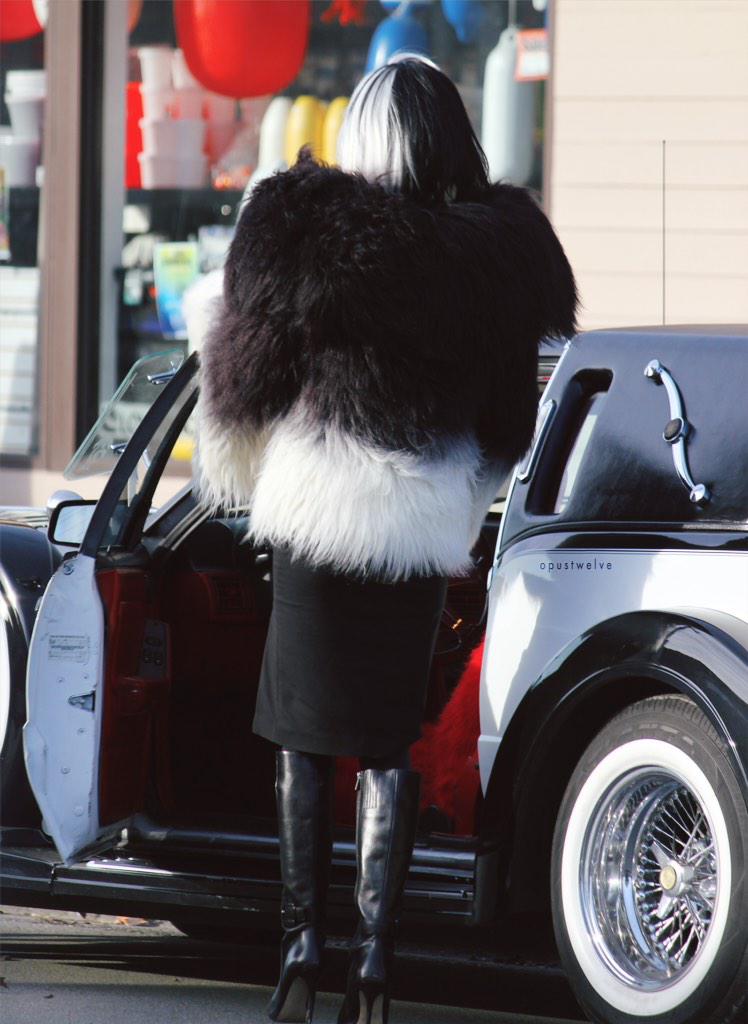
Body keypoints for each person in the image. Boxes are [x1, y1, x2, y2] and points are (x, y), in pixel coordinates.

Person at [194, 52, 577, 1024]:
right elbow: (507, 415)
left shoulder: (305, 229)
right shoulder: (495, 252)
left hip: (316, 516)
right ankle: (374, 962)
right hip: (418, 526)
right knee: (386, 744)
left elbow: (247, 378)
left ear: (363, 133)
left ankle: (300, 948)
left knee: (302, 739)